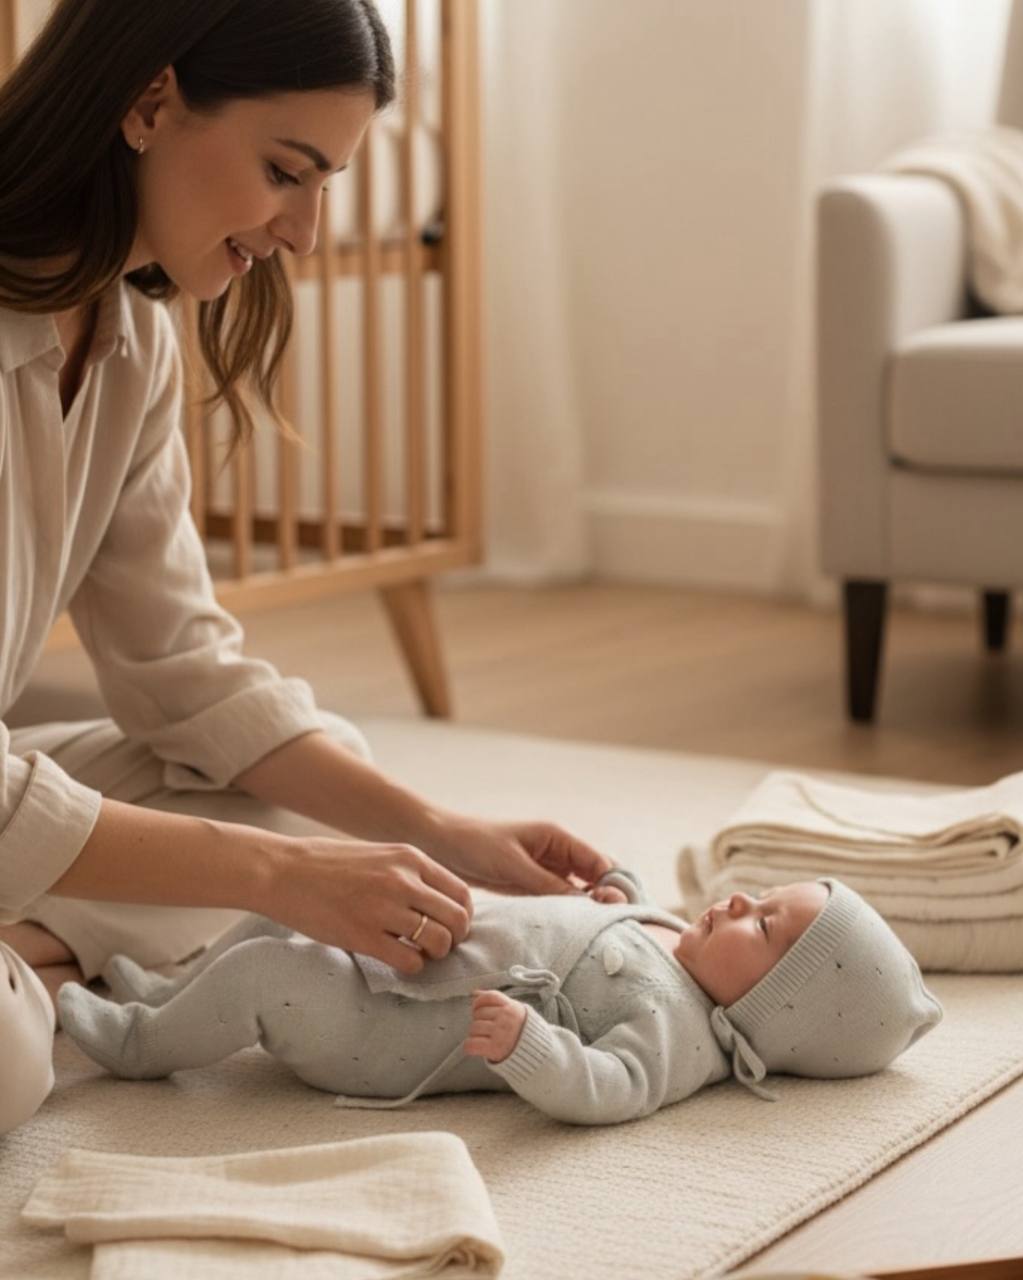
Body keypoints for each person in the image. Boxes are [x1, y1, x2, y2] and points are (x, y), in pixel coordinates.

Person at [0, 0, 614, 1137]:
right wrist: (272, 884)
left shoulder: (131, 340)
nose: (307, 233)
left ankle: (32, 952)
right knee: (240, 899)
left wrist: (438, 825)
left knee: (285, 804)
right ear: (149, 102)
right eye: (289, 171)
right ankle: (37, 975)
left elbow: (180, 669)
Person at [55, 874, 944, 1125]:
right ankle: (174, 994)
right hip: (412, 958)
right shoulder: (678, 940)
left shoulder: (682, 1036)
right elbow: (609, 934)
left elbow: (609, 1089)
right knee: (282, 904)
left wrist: (531, 1046)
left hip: (390, 1029)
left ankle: (141, 1043)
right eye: (765, 896)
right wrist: (612, 895)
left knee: (272, 978)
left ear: (771, 1014)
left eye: (767, 931)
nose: (743, 904)